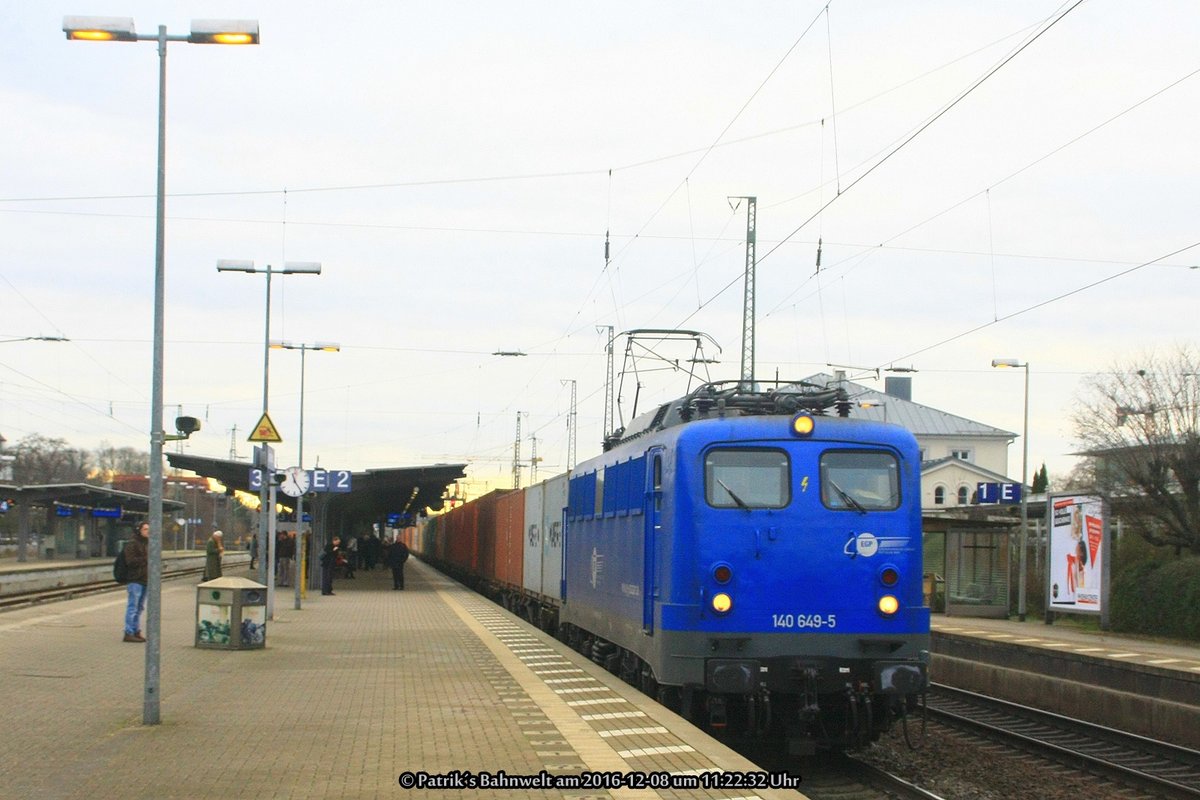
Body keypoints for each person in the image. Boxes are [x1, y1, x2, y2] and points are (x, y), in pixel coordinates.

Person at [122, 522, 150, 643]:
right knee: (133, 607)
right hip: (135, 579)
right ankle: (128, 632)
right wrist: (146, 559)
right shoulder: (132, 544)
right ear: (139, 530)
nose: (148, 531)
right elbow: (130, 561)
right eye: (145, 529)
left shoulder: (147, 544)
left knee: (139, 608)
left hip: (145, 579)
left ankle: (136, 630)